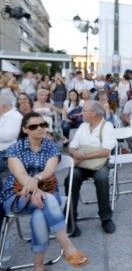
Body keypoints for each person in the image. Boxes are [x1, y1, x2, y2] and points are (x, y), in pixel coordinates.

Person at [1, 112, 89, 270]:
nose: (40, 128)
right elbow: (20, 175)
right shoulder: (14, 149)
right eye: (34, 126)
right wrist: (36, 192)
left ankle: (39, 266)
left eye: (43, 125)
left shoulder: (51, 146)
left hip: (47, 189)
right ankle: (68, 247)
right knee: (47, 200)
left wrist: (35, 182)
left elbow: (49, 170)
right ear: (25, 129)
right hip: (17, 195)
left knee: (40, 212)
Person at [65, 101, 117, 237]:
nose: (82, 113)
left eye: (84, 110)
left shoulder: (107, 126)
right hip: (82, 165)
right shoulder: (82, 126)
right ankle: (70, 218)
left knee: (101, 178)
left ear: (93, 113)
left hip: (99, 164)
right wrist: (73, 152)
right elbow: (72, 146)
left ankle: (106, 218)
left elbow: (106, 151)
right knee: (71, 178)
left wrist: (83, 155)